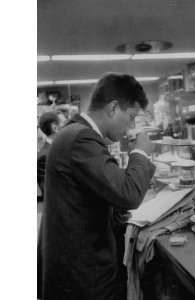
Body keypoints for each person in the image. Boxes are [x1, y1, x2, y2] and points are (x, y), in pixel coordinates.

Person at [40, 73, 156, 300]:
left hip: (72, 265)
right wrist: (140, 152)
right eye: (131, 117)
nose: (131, 126)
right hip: (82, 275)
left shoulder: (74, 133)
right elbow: (128, 193)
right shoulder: (82, 139)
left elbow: (88, 193)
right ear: (113, 108)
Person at [37, 111, 67, 198]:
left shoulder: (65, 147)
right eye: (64, 123)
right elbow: (49, 192)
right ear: (55, 127)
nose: (68, 127)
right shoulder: (44, 156)